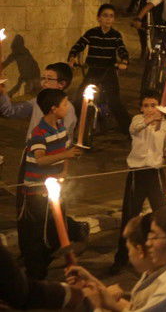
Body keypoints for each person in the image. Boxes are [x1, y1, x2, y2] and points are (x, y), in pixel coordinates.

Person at [17, 88, 83, 280]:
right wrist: (66, 154)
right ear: (53, 109)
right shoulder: (39, 133)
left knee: (56, 233)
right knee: (38, 235)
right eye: (64, 104)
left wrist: (64, 170)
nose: (67, 106)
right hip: (36, 193)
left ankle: (41, 266)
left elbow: (63, 152)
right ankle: (35, 275)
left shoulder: (60, 127)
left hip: (54, 189)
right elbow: (40, 159)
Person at [110, 95, 166, 275]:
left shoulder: (165, 124)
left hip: (155, 172)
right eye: (146, 106)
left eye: (153, 105)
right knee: (130, 215)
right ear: (140, 108)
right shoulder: (137, 120)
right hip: (137, 173)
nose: (149, 109)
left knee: (162, 213)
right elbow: (134, 130)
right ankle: (122, 258)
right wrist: (149, 120)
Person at [66, 213, 158, 310]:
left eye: (129, 249)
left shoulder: (161, 290)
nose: (129, 254)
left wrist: (95, 306)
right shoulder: (151, 273)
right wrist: (95, 284)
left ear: (140, 250)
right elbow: (133, 308)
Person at [68, 2, 132, 134]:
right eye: (105, 16)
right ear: (98, 18)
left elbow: (122, 50)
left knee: (114, 100)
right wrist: (72, 57)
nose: (108, 19)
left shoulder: (116, 35)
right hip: (93, 70)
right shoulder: (91, 33)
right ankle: (70, 125)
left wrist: (124, 61)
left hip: (109, 70)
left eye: (111, 16)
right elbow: (79, 45)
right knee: (79, 99)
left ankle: (129, 130)